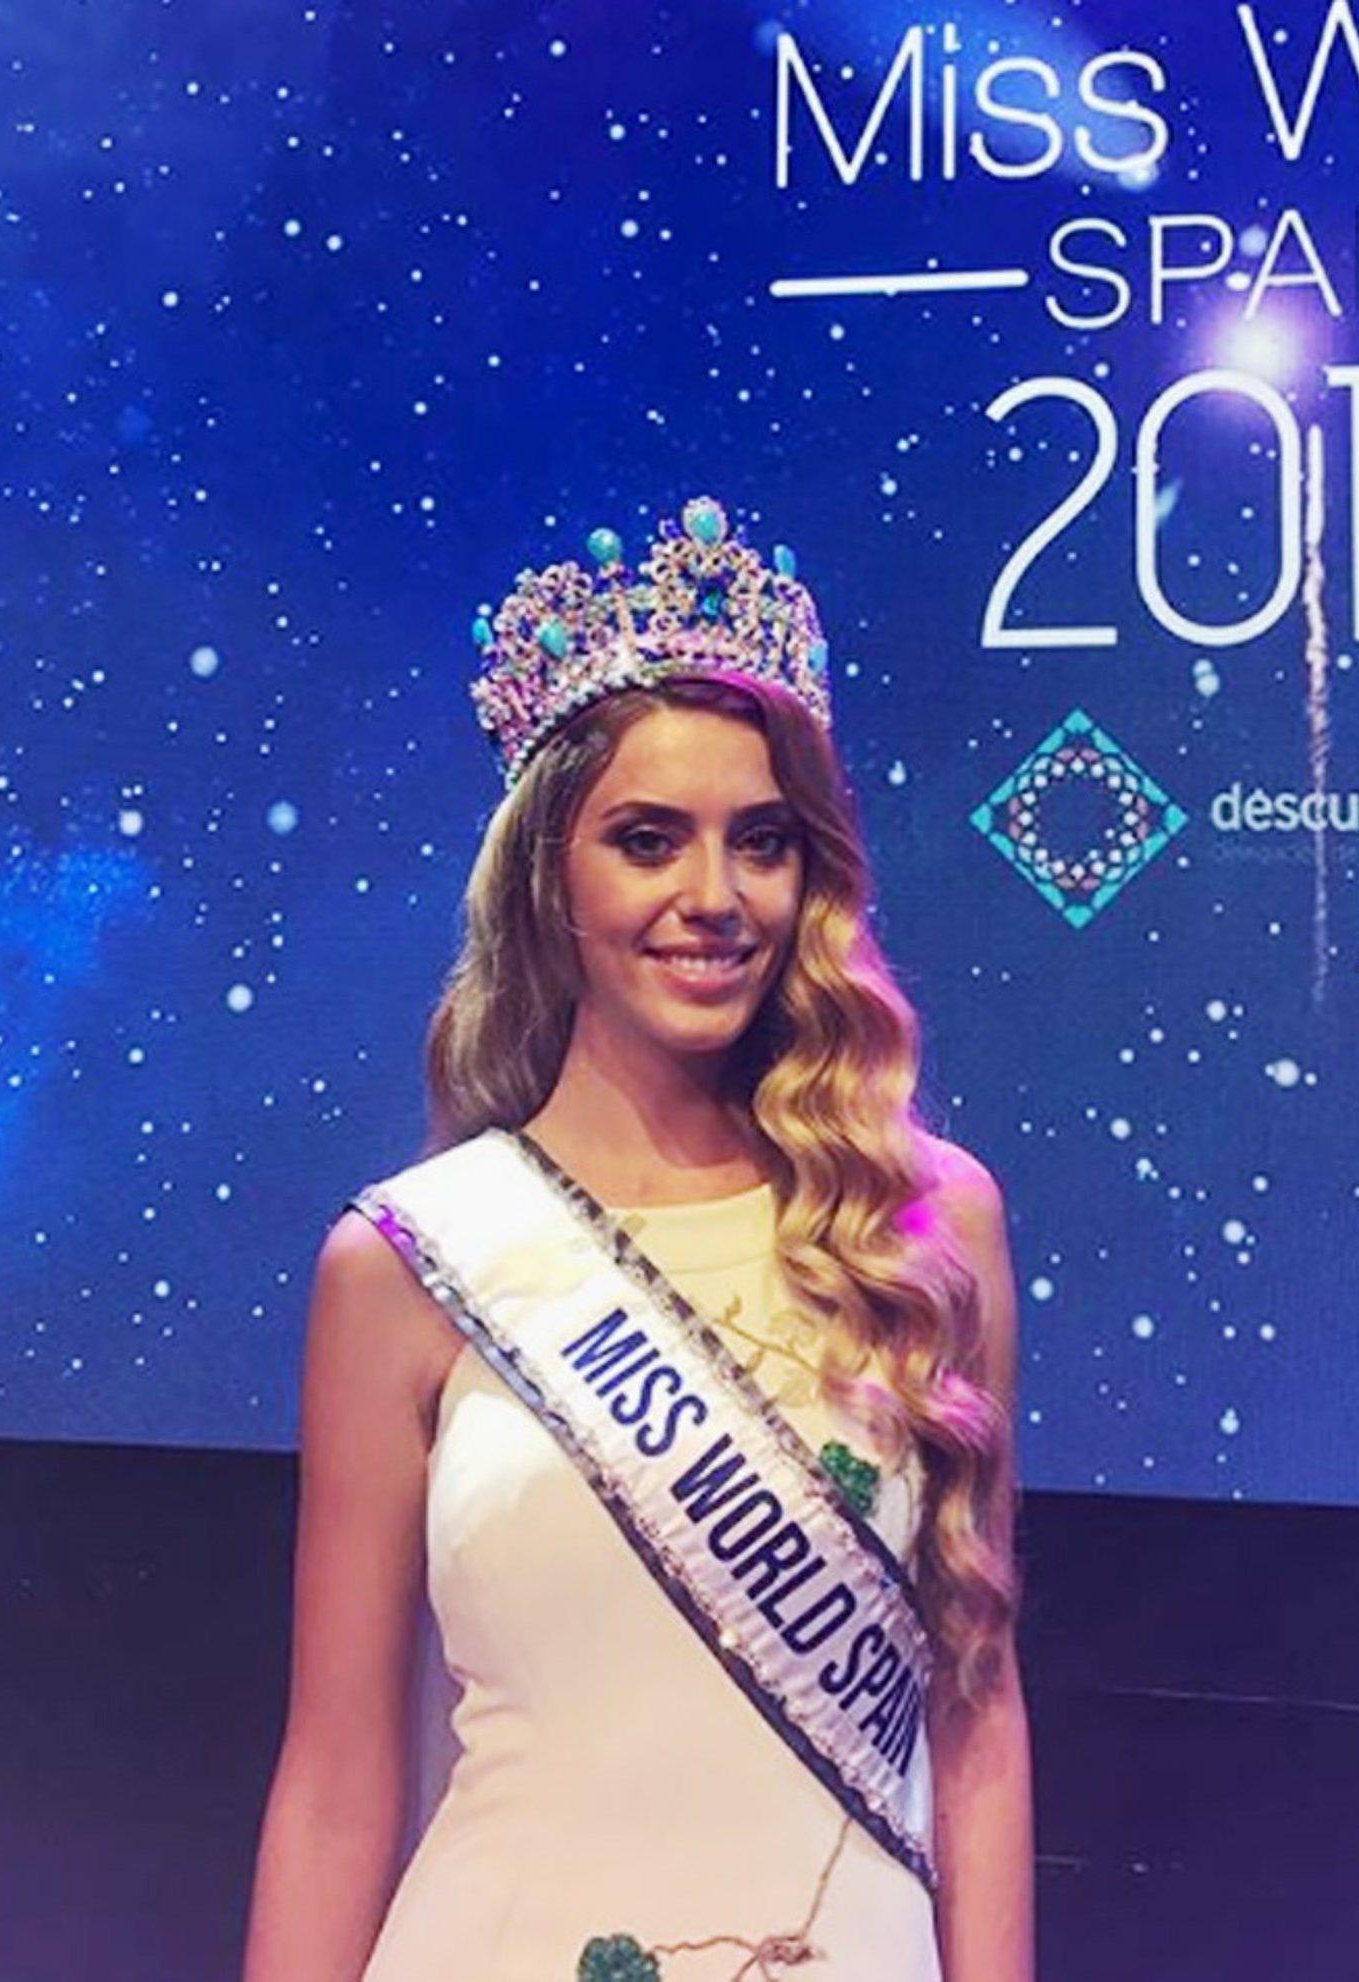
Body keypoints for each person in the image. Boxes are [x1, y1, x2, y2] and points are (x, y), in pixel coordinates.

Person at [243, 497, 1034, 1981]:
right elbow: (337, 1779)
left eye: (762, 843)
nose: (711, 898)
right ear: (551, 874)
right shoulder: (409, 1261)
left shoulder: (924, 1225)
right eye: (647, 840)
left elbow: (976, 1721)